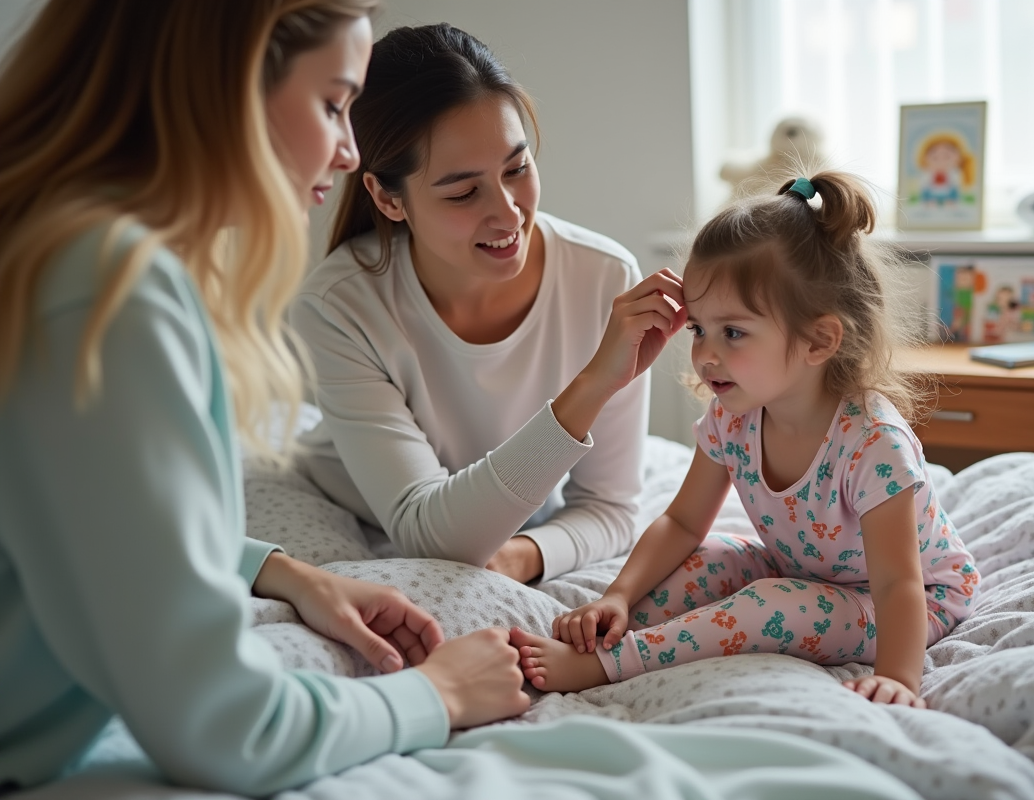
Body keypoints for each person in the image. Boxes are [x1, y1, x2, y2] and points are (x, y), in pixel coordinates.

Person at [0, 2, 529, 795]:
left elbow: (78, 516)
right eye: (331, 104)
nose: (350, 151)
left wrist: (279, 572)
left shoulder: (52, 247)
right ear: (223, 87)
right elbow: (226, 727)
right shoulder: (109, 294)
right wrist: (438, 693)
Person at [511, 172, 981, 707]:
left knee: (772, 604)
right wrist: (617, 596)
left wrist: (899, 678)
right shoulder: (732, 419)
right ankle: (606, 633)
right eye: (698, 329)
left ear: (818, 340)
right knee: (711, 556)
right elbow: (682, 522)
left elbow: (898, 583)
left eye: (732, 332)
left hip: (912, 600)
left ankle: (611, 663)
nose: (706, 354)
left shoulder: (873, 444)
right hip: (799, 568)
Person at [291, 23, 686, 585]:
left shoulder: (603, 278)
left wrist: (517, 556)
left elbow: (610, 506)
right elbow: (430, 533)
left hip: (512, 523)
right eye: (462, 192)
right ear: (387, 197)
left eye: (517, 169)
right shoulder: (337, 306)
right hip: (356, 504)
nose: (507, 214)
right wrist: (595, 380)